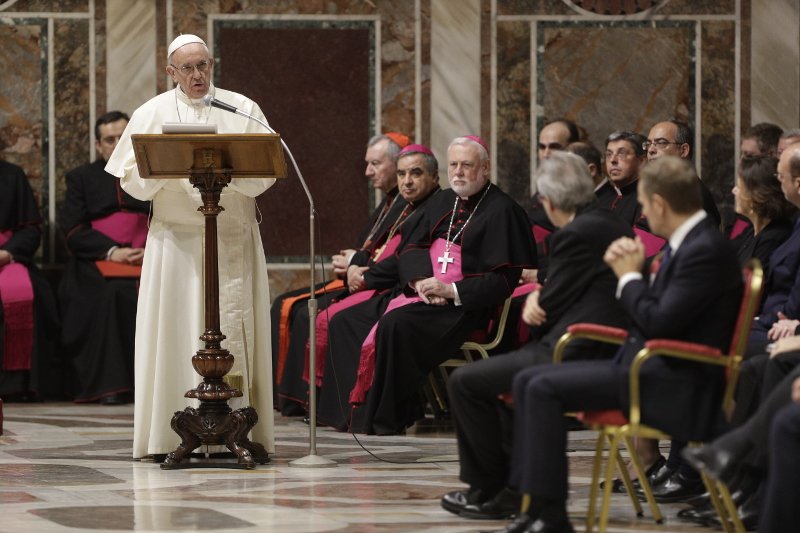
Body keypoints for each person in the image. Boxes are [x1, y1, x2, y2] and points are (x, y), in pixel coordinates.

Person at [494, 156, 742, 533]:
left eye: (643, 205)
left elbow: (658, 321)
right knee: (530, 379)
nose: (643, 214)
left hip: (675, 380)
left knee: (541, 385)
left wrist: (628, 278)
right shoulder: (689, 244)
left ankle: (548, 515)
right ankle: (535, 510)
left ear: (659, 203)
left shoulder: (704, 249)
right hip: (649, 367)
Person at [105, 34, 275, 460]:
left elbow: (266, 169)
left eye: (204, 65)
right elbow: (131, 178)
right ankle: (171, 434)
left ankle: (238, 429)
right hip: (177, 245)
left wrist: (224, 173)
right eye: (188, 68)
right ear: (171, 72)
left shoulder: (241, 108)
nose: (198, 75)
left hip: (232, 235)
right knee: (179, 327)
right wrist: (175, 172)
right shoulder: (152, 112)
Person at [439, 151, 633, 521]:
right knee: (494, 380)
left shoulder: (576, 234)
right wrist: (543, 297)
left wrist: (540, 299)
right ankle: (509, 487)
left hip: (576, 348)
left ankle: (488, 488)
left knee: (466, 382)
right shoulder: (609, 223)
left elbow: (547, 311)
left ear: (550, 201)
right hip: (602, 344)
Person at [318, 136, 536, 435]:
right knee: (346, 320)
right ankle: (349, 414)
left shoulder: (504, 210)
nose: (458, 172)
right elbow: (411, 247)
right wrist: (419, 280)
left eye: (467, 165)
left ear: (485, 168)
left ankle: (386, 420)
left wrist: (451, 291)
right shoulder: (443, 201)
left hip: (466, 307)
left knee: (396, 325)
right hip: (422, 292)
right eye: (453, 165)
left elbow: (502, 281)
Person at [273, 132, 411, 416]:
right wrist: (353, 259)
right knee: (285, 305)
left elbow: (394, 255)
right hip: (363, 277)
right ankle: (289, 399)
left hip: (379, 285)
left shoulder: (408, 205)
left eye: (375, 164)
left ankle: (312, 401)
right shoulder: (389, 202)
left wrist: (355, 261)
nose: (367, 172)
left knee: (308, 313)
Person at [304, 144, 441, 394]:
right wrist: (356, 266)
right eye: (402, 174)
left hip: (401, 289)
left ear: (434, 176)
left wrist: (365, 275)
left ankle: (351, 402)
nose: (407, 181)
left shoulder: (435, 207)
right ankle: (328, 402)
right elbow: (374, 244)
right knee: (322, 314)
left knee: (340, 320)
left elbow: (404, 258)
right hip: (381, 281)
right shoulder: (406, 206)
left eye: (416, 173)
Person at [59, 111, 150, 405]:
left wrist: (152, 248)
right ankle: (112, 385)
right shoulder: (80, 178)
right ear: (98, 145)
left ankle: (157, 383)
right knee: (110, 294)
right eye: (109, 139)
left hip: (150, 255)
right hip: (97, 258)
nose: (116, 144)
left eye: (123, 137)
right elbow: (72, 229)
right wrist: (113, 251)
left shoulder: (153, 174)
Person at [0, 160, 59, 399]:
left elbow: (31, 229)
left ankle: (14, 386)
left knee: (29, 293)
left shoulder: (12, 175)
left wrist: (6, 253)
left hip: (5, 256)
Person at [644, 119, 721, 227]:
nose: (651, 150)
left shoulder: (692, 194)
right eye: (648, 144)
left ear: (683, 150)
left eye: (661, 143)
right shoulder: (660, 187)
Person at [595, 131, 648, 228]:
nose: (613, 160)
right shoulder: (601, 200)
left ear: (641, 162)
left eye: (621, 153)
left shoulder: (647, 201)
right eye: (609, 154)